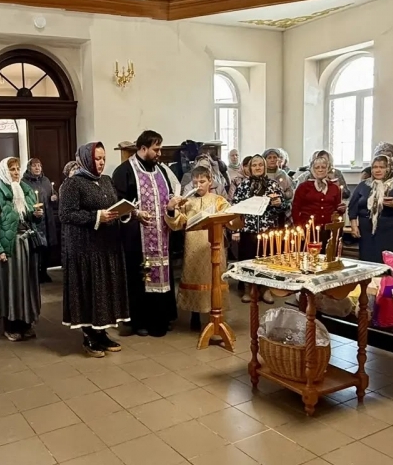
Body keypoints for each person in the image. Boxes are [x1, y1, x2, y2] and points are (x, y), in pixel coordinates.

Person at [111, 131, 187, 337]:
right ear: (143, 148)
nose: (159, 153)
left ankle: (163, 317)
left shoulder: (161, 170)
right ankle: (140, 321)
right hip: (137, 238)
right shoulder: (124, 171)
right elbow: (117, 204)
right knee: (140, 277)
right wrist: (135, 213)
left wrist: (172, 204)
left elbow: (168, 195)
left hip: (162, 236)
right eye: (156, 149)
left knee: (162, 273)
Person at [59, 142, 130, 357]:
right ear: (86, 159)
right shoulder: (73, 183)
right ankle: (89, 335)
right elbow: (66, 214)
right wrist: (97, 216)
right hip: (84, 248)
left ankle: (101, 332)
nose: (101, 163)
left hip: (107, 245)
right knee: (89, 290)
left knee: (104, 289)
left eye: (103, 158)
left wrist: (128, 212)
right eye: (97, 159)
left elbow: (113, 205)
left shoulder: (106, 180)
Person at [0, 157, 44, 340]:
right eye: (12, 169)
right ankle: (11, 325)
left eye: (18, 168)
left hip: (27, 245)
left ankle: (26, 323)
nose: (16, 172)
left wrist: (37, 215)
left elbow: (31, 219)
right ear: (4, 172)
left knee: (27, 286)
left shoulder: (26, 190)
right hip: (9, 247)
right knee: (11, 286)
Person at [174, 165, 230, 331]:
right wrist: (173, 208)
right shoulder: (187, 202)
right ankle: (195, 314)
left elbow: (229, 219)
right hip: (193, 246)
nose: (198, 185)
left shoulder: (218, 200)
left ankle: (215, 311)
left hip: (213, 245)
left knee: (214, 278)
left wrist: (238, 216)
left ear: (210, 181)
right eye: (195, 182)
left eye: (202, 181)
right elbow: (177, 222)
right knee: (195, 277)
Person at [231, 154, 286, 301]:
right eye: (254, 165)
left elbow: (284, 207)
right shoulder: (243, 186)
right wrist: (236, 230)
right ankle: (248, 289)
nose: (257, 167)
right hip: (247, 230)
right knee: (247, 260)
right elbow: (235, 209)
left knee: (266, 261)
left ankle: (265, 289)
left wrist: (279, 204)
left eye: (260, 165)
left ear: (265, 167)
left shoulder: (273, 185)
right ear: (250, 168)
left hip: (267, 230)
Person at [348, 155, 393, 263]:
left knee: (388, 260)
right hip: (367, 229)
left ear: (389, 168)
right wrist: (354, 226)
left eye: (382, 167)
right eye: (375, 167)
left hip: (391, 229)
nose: (378, 170)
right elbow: (353, 206)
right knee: (368, 259)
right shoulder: (364, 185)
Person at [22, 158, 58, 283]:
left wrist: (54, 198)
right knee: (37, 246)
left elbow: (52, 195)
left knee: (48, 246)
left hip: (48, 218)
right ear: (29, 168)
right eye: (34, 166)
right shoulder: (24, 182)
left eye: (39, 165)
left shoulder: (46, 181)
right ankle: (35, 273)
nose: (37, 168)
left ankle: (44, 272)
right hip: (35, 219)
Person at [292, 152, 343, 230]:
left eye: (323, 167)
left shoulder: (334, 188)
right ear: (312, 169)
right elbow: (295, 209)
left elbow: (337, 210)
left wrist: (341, 210)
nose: (320, 170)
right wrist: (298, 227)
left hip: (328, 228)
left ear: (328, 169)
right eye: (317, 167)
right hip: (308, 229)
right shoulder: (303, 187)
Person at [262, 148, 294, 216]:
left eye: (275, 157)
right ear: (264, 160)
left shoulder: (282, 174)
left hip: (280, 209)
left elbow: (290, 191)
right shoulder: (261, 174)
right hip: (264, 209)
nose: (272, 160)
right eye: (269, 158)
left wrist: (282, 195)